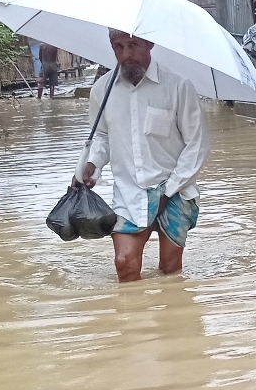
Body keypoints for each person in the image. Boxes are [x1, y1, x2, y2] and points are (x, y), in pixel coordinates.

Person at [76, 30, 210, 282]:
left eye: (133, 45)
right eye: (118, 47)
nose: (126, 54)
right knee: (124, 262)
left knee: (170, 270)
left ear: (150, 44)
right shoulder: (101, 91)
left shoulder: (178, 87)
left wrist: (168, 191)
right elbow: (102, 137)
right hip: (129, 191)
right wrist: (93, 163)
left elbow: (197, 146)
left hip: (175, 191)